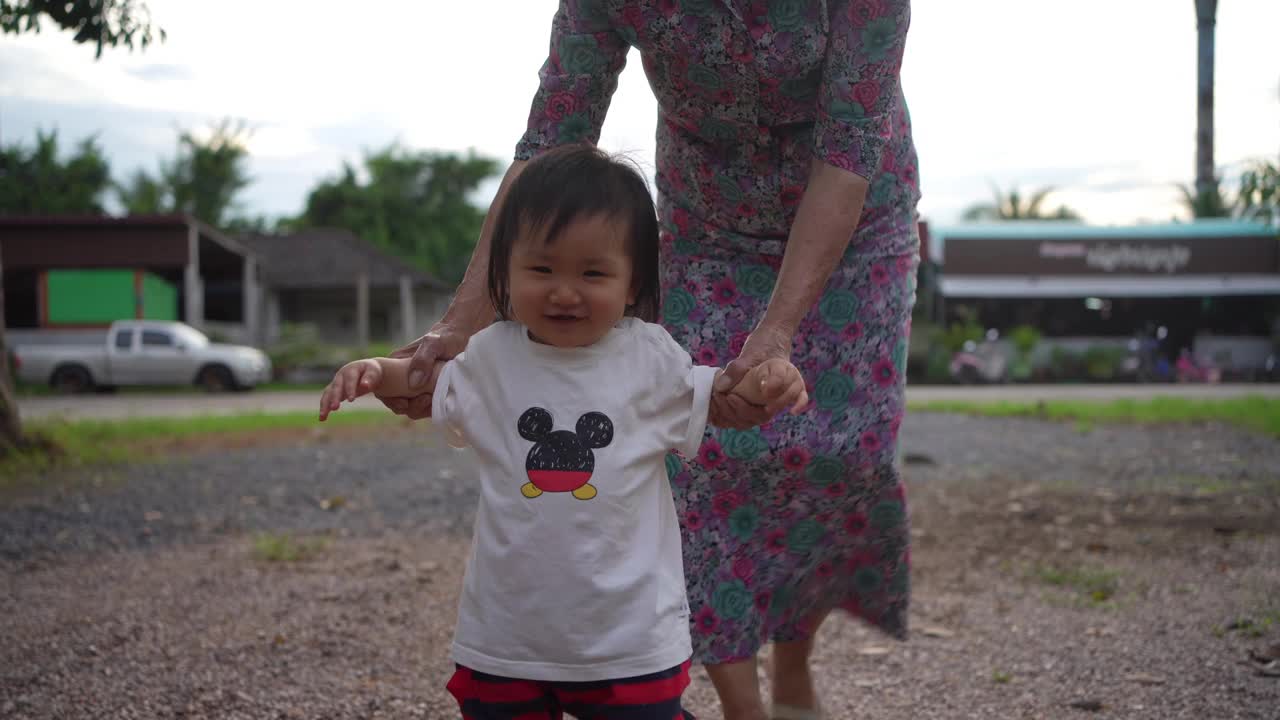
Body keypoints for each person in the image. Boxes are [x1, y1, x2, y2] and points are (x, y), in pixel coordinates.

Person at [384, 3, 920, 718]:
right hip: (707, 218)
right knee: (697, 454)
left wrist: (778, 330)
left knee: (832, 457)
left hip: (854, 215)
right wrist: (457, 326)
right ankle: (740, 700)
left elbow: (851, 143)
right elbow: (553, 136)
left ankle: (795, 660)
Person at [320, 146, 809, 719]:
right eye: (542, 269)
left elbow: (721, 400)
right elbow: (426, 386)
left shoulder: (648, 359)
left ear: (633, 284)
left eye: (593, 273)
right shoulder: (490, 357)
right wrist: (377, 370)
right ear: (503, 271)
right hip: (506, 637)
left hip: (628, 641)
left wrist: (762, 387)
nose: (565, 291)